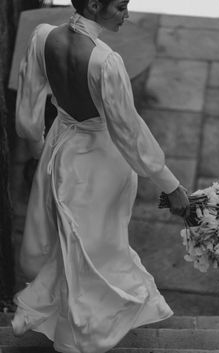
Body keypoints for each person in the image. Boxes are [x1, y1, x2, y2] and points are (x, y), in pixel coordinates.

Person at [11, 0, 190, 352]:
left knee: (74, 240)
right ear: (94, 6)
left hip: (62, 149)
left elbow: (29, 105)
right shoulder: (106, 61)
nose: (128, 15)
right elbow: (129, 133)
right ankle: (85, 331)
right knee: (98, 245)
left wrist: (39, 145)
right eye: (121, 7)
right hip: (101, 161)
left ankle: (49, 312)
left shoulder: (42, 37)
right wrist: (171, 185)